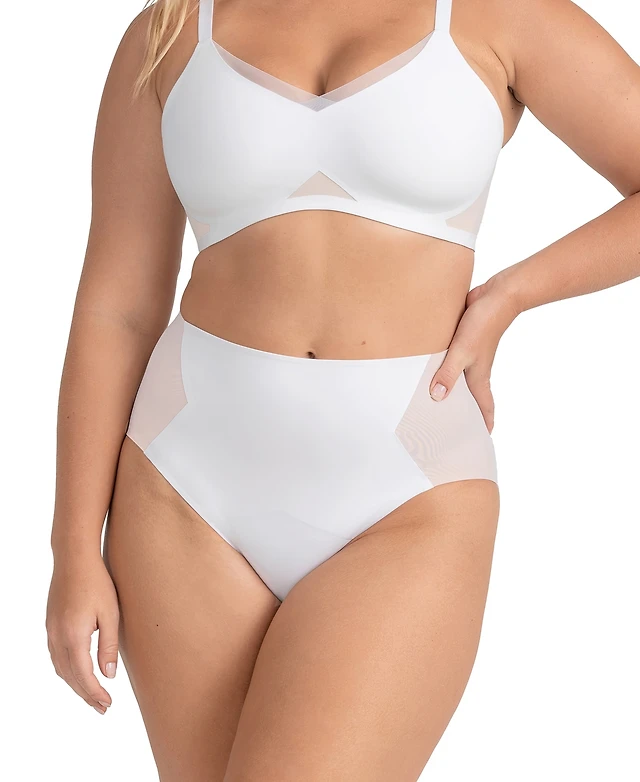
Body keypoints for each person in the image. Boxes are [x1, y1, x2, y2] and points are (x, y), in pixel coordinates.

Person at [45, 0, 640, 779]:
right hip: (183, 484)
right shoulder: (169, 29)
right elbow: (117, 309)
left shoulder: (501, 14)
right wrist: (71, 548)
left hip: (406, 489)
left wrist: (512, 295)